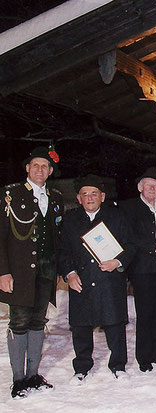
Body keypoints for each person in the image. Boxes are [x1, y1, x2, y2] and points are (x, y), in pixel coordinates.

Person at [0, 146, 64, 398]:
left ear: (50, 171)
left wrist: (58, 269)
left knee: (39, 322)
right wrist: (3, 272)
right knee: (19, 323)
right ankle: (18, 380)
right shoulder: (10, 195)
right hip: (20, 273)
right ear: (27, 168)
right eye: (35, 165)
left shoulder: (56, 197)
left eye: (45, 166)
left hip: (46, 272)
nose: (40, 170)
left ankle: (33, 374)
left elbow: (56, 237)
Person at [59, 175, 134, 383]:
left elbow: (131, 245)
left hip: (109, 280)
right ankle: (82, 367)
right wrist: (70, 273)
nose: (89, 198)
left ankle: (118, 365)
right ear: (78, 198)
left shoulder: (117, 216)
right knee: (81, 327)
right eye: (85, 194)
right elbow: (63, 251)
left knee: (115, 324)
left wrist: (117, 262)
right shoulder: (70, 219)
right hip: (81, 280)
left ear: (102, 196)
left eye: (94, 194)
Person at [121, 168, 156, 372]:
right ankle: (144, 358)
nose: (153, 189)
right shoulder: (130, 208)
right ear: (140, 187)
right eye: (148, 185)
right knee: (145, 313)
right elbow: (131, 236)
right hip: (143, 268)